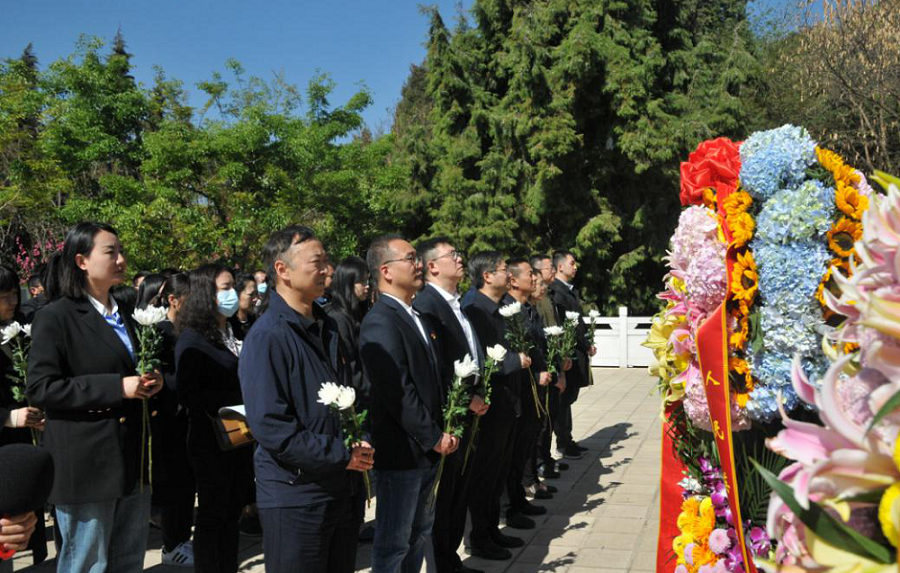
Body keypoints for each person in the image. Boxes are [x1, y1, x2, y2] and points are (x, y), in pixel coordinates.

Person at [27, 222, 163, 573]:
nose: (121, 259)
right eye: (110, 252)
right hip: (86, 464)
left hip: (132, 457)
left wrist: (151, 381)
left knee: (128, 561)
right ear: (81, 261)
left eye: (121, 251)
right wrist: (117, 387)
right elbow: (42, 388)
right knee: (87, 563)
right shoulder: (56, 317)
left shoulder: (128, 314)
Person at [241, 225, 373, 573]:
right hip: (296, 496)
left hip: (341, 488)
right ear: (282, 270)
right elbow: (271, 427)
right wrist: (341, 453)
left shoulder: (328, 325)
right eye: (317, 262)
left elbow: (352, 396)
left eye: (327, 261)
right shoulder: (268, 336)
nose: (327, 270)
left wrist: (360, 439)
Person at [360, 235, 457, 573]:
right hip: (402, 454)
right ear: (385, 271)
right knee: (393, 545)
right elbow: (397, 391)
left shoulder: (416, 315)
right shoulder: (380, 320)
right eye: (411, 258)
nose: (418, 265)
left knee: (418, 535)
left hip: (427, 451)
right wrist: (432, 436)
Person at [413, 238, 488, 573]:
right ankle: (440, 562)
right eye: (452, 255)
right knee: (443, 498)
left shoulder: (457, 303)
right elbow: (437, 365)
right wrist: (461, 400)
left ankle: (450, 558)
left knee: (460, 491)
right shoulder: (427, 304)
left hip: (468, 408)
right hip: (449, 413)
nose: (460, 260)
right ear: (432, 266)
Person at [175, 264, 252, 573]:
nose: (231, 293)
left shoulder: (234, 331)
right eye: (224, 287)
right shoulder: (193, 339)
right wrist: (235, 404)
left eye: (232, 285)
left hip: (239, 436)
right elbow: (189, 393)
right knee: (213, 514)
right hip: (212, 439)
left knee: (231, 513)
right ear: (206, 293)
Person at [461, 251, 531, 561]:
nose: (509, 275)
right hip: (488, 407)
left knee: (498, 471)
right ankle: (480, 537)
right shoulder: (474, 309)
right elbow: (483, 358)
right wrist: (516, 360)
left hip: (507, 403)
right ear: (487, 276)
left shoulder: (501, 306)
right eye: (504, 270)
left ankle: (491, 529)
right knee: (484, 475)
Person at [0, 265, 47, 568]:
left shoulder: (25, 329)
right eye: (3, 296)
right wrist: (9, 417)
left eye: (13, 294)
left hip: (28, 437)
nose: (12, 302)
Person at [147, 273, 195, 567]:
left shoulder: (190, 331)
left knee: (187, 486)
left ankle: (181, 539)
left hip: (189, 419)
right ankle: (171, 544)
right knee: (174, 486)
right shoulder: (159, 333)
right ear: (173, 300)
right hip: (169, 421)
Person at [502, 258, 550, 530]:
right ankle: (510, 505)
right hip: (518, 391)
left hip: (531, 389)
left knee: (524, 446)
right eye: (530, 274)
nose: (534, 279)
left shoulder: (526, 309)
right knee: (514, 451)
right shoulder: (508, 311)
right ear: (513, 280)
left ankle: (519, 499)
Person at [547, 251, 596, 459]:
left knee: (568, 399)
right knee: (563, 400)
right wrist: (585, 344)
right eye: (571, 263)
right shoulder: (556, 292)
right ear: (559, 267)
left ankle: (567, 439)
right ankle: (563, 442)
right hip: (569, 353)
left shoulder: (567, 290)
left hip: (575, 351)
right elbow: (569, 325)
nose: (575, 267)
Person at [529, 255, 569, 479]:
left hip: (551, 367)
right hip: (541, 372)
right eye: (548, 268)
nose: (553, 271)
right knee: (541, 423)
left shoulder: (547, 297)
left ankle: (545, 459)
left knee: (550, 419)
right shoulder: (532, 303)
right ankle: (538, 465)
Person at [326, 256, 371, 409]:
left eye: (368, 280)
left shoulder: (358, 312)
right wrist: (370, 390)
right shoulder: (338, 318)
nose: (367, 286)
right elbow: (351, 366)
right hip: (358, 400)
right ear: (348, 282)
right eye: (362, 281)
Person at [229, 272, 258, 340]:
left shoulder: (256, 321)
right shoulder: (229, 326)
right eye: (251, 294)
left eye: (256, 293)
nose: (255, 298)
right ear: (236, 294)